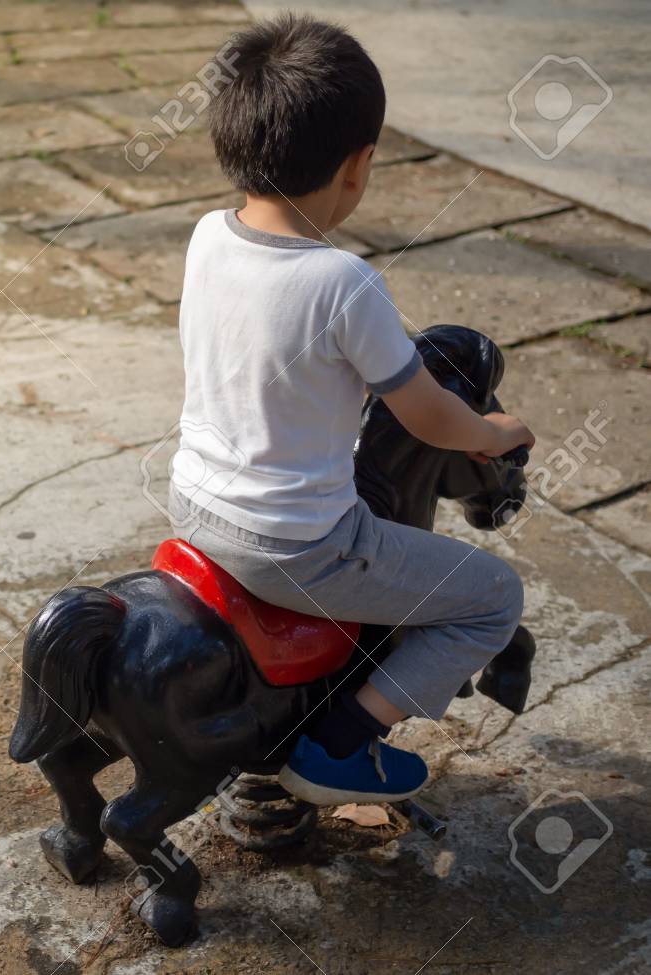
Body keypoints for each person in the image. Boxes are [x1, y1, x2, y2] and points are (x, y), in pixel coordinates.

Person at [168, 13, 534, 804]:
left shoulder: (205, 235)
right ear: (357, 167)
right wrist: (493, 430)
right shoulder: (344, 282)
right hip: (299, 544)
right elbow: (428, 417)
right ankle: (335, 748)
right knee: (495, 596)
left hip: (192, 506)